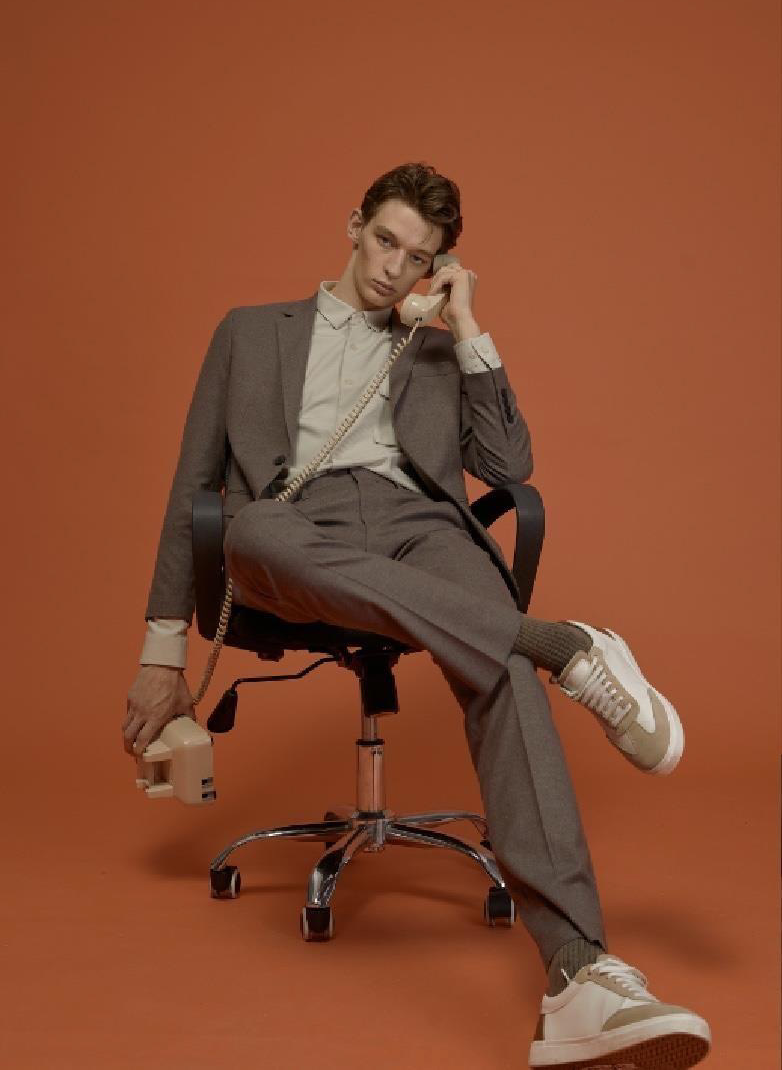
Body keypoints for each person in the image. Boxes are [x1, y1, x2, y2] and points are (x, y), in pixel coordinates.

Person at [122, 162, 711, 1068]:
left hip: (418, 531)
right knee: (252, 529)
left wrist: (465, 327)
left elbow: (508, 464)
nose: (394, 269)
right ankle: (557, 645)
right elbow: (189, 485)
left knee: (496, 662)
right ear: (353, 225)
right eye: (385, 241)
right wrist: (161, 653)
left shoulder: (432, 347)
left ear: (439, 267)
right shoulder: (249, 331)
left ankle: (579, 975)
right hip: (295, 533)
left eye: (419, 257)